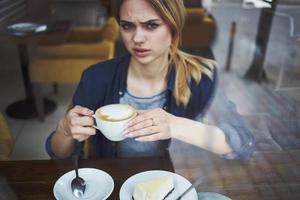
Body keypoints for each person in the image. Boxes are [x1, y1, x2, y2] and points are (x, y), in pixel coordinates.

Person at [46, 0, 255, 159]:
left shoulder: (202, 77)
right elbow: (59, 154)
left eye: (151, 25)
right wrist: (65, 131)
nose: (137, 38)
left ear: (174, 28)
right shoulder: (96, 77)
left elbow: (243, 142)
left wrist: (174, 125)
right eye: (128, 26)